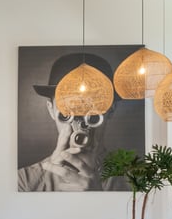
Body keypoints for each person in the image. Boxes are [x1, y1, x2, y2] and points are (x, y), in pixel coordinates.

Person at [17, 53, 126, 192]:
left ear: (111, 109)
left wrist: (97, 199)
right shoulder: (23, 182)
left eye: (92, 112)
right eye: (67, 112)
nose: (78, 125)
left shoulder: (138, 180)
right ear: (51, 110)